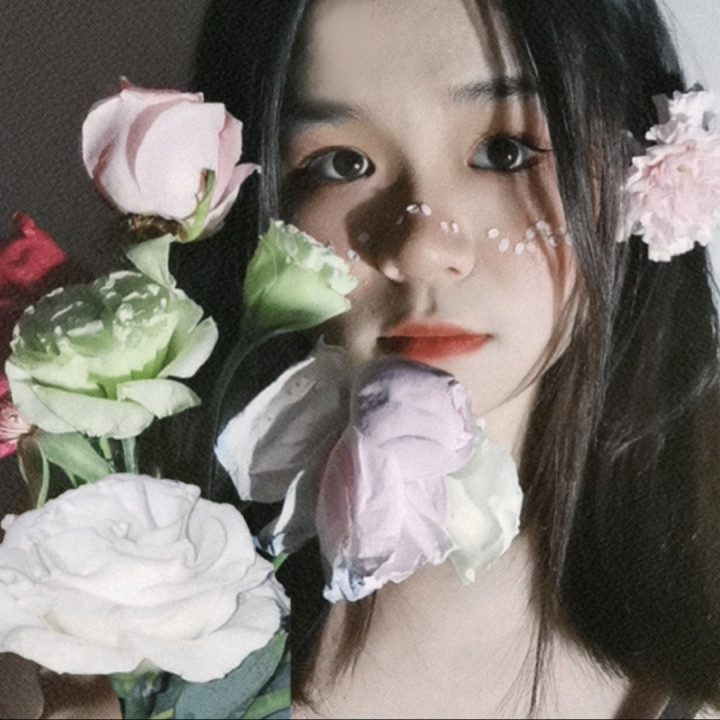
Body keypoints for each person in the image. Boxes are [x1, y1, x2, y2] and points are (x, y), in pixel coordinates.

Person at [180, 0, 720, 716]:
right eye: (342, 164)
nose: (420, 249)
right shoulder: (118, 663)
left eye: (506, 152)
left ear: (638, 175)